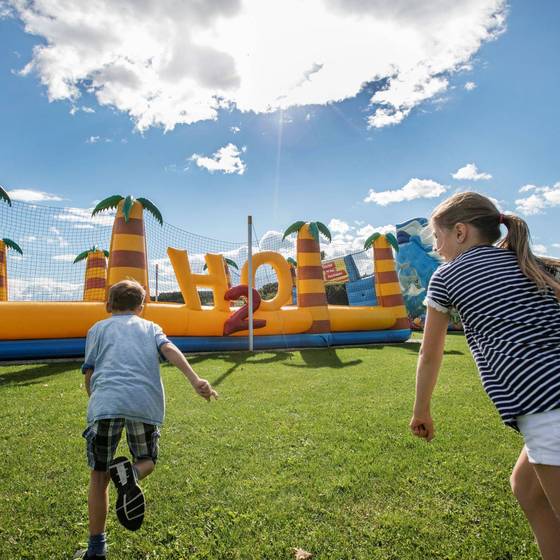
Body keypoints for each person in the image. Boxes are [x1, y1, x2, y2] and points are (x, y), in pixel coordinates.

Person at [410, 192, 560, 559]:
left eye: (438, 239)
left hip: (548, 411)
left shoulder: (446, 276)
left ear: (460, 232)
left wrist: (421, 411)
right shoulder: (527, 262)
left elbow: (430, 353)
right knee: (527, 489)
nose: (437, 249)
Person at [74, 279, 218, 560]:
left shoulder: (97, 329)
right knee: (147, 459)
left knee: (99, 473)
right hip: (144, 403)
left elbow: (89, 372)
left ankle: (96, 549)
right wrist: (195, 379)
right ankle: (133, 474)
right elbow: (169, 350)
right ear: (142, 306)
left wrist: (95, 397)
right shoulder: (151, 327)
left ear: (108, 305)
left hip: (106, 404)